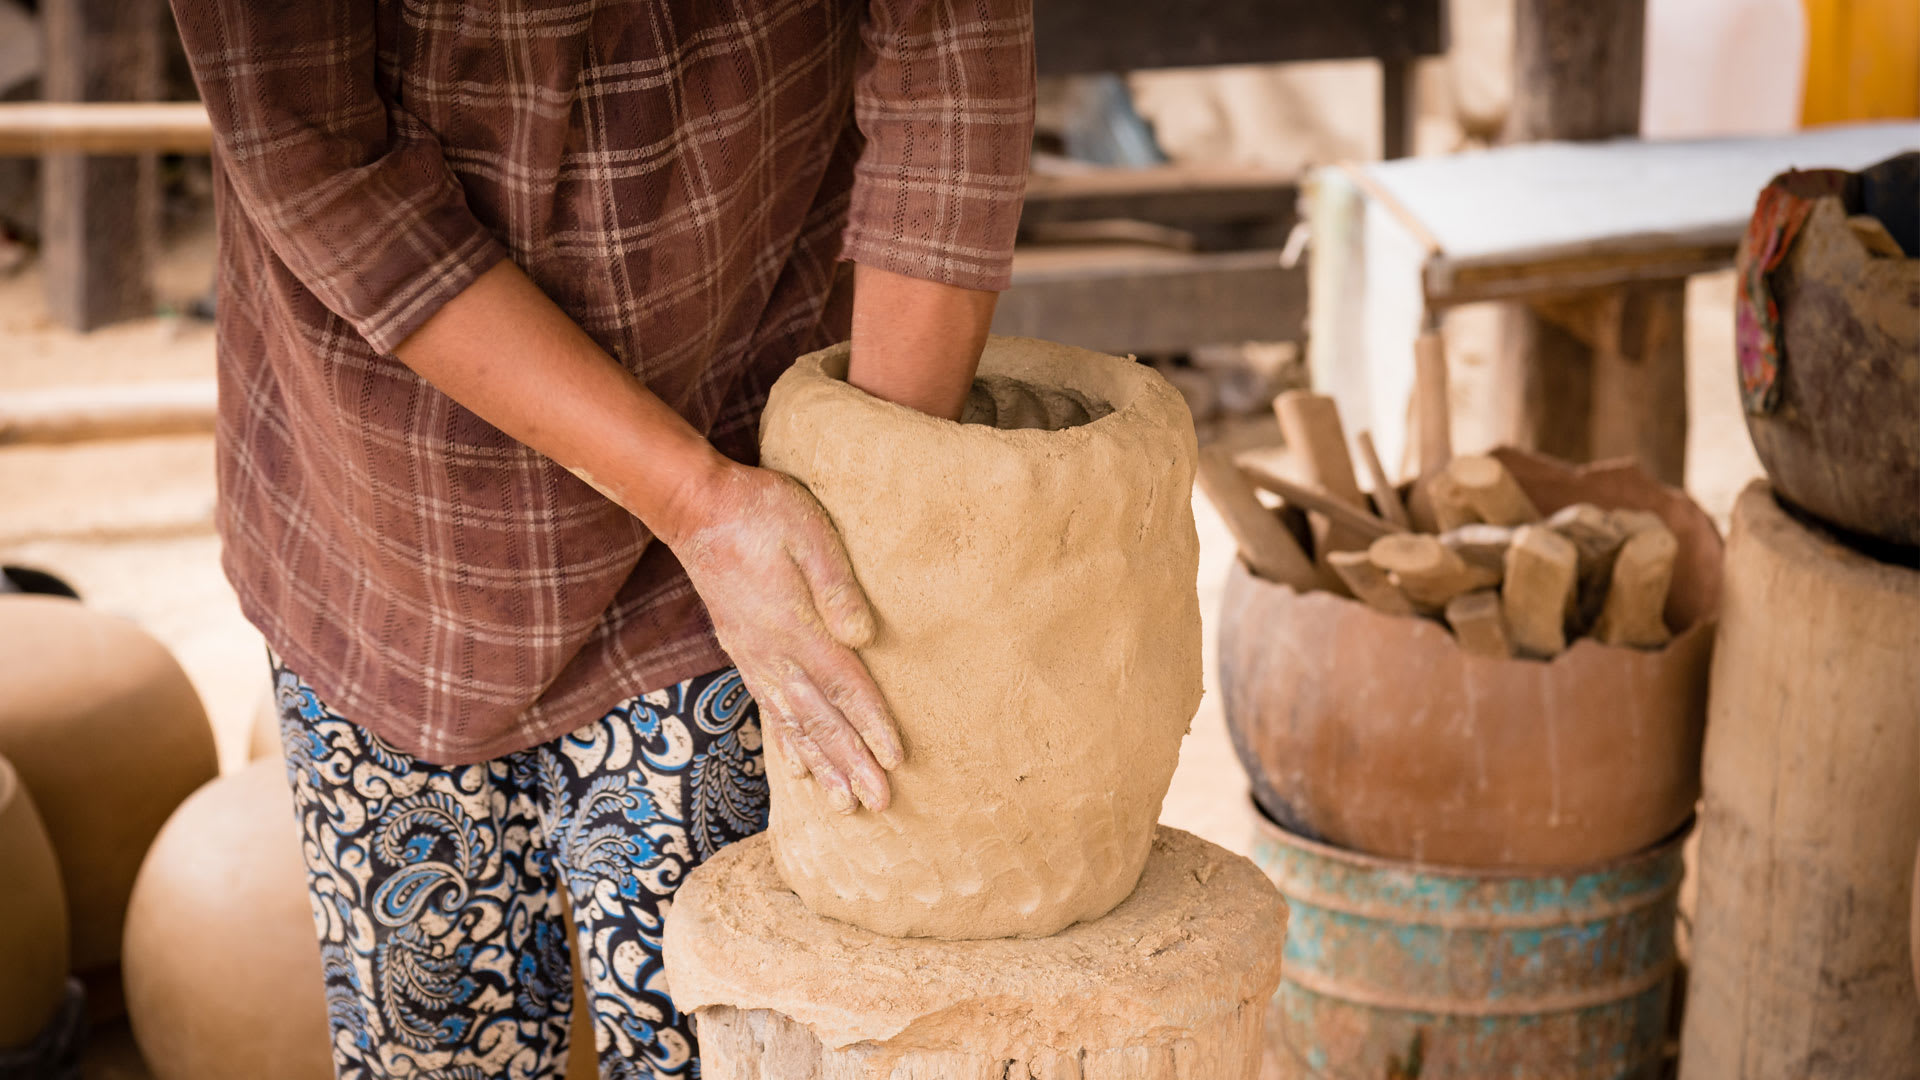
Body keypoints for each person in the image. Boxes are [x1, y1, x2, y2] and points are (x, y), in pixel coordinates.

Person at [168, 2, 1035, 1076]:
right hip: (386, 499)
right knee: (436, 1053)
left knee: (721, 1040)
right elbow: (312, 154)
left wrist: (873, 503)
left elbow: (953, 78)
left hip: (739, 426)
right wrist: (694, 504)